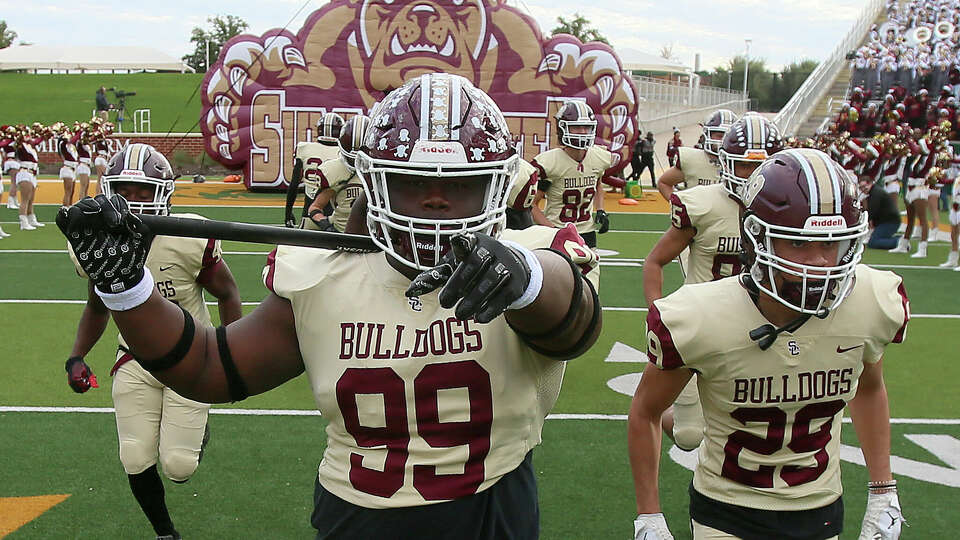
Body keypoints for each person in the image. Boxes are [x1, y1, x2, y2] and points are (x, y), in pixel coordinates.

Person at [57, 72, 602, 539]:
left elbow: (575, 327)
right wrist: (125, 285)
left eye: (460, 184)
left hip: (492, 507)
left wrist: (525, 278)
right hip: (358, 514)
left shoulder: (530, 262)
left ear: (494, 186)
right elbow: (208, 369)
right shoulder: (322, 272)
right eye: (413, 184)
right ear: (375, 183)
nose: (436, 201)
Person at [629, 148, 908, 540]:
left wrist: (884, 492)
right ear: (756, 238)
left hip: (821, 507)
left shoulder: (871, 301)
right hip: (727, 511)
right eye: (798, 245)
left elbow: (869, 389)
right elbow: (645, 411)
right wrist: (649, 516)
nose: (820, 264)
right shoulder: (700, 315)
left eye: (830, 244)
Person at [64, 143, 242, 540]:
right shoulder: (98, 241)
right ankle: (165, 533)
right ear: (109, 190)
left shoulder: (189, 237)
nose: (133, 200)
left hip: (195, 356)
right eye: (125, 189)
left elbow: (228, 293)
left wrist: (231, 355)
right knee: (134, 456)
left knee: (179, 466)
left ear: (163, 192)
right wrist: (76, 355)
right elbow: (98, 304)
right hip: (135, 358)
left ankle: (198, 431)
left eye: (144, 190)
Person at [642, 115, 783, 453]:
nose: (752, 176)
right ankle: (659, 412)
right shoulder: (702, 204)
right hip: (702, 325)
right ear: (726, 163)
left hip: (756, 330)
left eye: (760, 166)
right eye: (745, 166)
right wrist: (657, 313)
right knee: (689, 436)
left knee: (753, 422)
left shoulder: (784, 210)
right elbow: (654, 261)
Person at [530, 100, 617, 248]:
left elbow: (597, 185)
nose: (583, 132)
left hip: (587, 233)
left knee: (590, 271)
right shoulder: (550, 163)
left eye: (586, 127)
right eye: (576, 127)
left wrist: (600, 209)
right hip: (557, 232)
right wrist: (552, 230)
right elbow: (532, 205)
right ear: (562, 129)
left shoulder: (599, 157)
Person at [303, 114, 371, 232]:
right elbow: (315, 208)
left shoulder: (382, 171)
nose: (356, 163)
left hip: (375, 237)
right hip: (341, 235)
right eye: (352, 159)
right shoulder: (336, 172)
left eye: (361, 160)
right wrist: (327, 227)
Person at [657, 110, 737, 201]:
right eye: (719, 135)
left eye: (728, 135)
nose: (723, 140)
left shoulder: (743, 164)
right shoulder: (693, 159)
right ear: (707, 135)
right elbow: (663, 183)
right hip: (700, 214)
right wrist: (680, 207)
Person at [284, 112, 344, 228]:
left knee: (300, 246)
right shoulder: (342, 154)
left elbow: (294, 185)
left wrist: (288, 213)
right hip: (334, 215)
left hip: (309, 214)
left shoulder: (305, 149)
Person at [861, 175, 903, 250]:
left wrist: (863, 222)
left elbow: (871, 211)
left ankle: (898, 242)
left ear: (870, 183)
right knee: (877, 238)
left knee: (873, 242)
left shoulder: (876, 193)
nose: (863, 189)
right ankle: (900, 238)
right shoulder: (875, 192)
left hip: (889, 222)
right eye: (861, 187)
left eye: (864, 186)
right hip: (888, 221)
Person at [57, 133, 79, 207]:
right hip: (67, 169)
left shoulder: (71, 146)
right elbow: (67, 141)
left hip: (73, 170)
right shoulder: (63, 145)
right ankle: (65, 209)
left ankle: (69, 207)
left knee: (72, 192)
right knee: (68, 192)